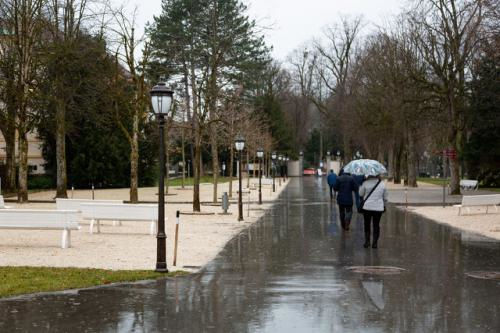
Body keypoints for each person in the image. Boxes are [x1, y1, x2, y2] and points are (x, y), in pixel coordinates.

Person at [359, 175, 388, 249]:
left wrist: (361, 186)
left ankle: (367, 242)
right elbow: (385, 198)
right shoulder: (382, 184)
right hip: (378, 208)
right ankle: (375, 243)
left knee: (367, 224)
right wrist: (384, 205)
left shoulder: (365, 183)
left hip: (367, 207)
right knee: (376, 225)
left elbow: (360, 194)